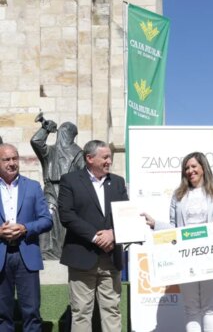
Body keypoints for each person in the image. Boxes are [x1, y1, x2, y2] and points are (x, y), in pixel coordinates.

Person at [142, 151, 213, 332]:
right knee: (191, 308)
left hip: (211, 254)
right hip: (185, 255)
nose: (190, 171)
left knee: (211, 306)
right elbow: (174, 228)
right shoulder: (178, 195)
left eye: (193, 166)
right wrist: (156, 224)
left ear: (203, 168)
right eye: (186, 168)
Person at [58, 140, 128, 332]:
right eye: (105, 157)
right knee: (81, 312)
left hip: (110, 258)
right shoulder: (70, 180)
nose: (109, 161)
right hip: (81, 256)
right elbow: (66, 215)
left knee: (112, 310)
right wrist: (96, 237)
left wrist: (113, 234)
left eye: (110, 157)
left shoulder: (118, 182)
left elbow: (126, 214)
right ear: (89, 158)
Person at [0, 143, 53, 331]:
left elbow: (47, 220)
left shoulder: (32, 187)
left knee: (31, 312)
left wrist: (25, 228)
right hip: (1, 256)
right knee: (1, 314)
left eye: (15, 158)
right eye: (6, 159)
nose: (12, 163)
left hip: (26, 255)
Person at [31, 115, 85, 259]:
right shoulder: (50, 151)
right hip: (50, 189)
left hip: (68, 191)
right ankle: (45, 252)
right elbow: (36, 141)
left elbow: (84, 175)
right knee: (47, 217)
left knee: (63, 224)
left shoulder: (78, 153)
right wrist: (45, 129)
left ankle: (62, 252)